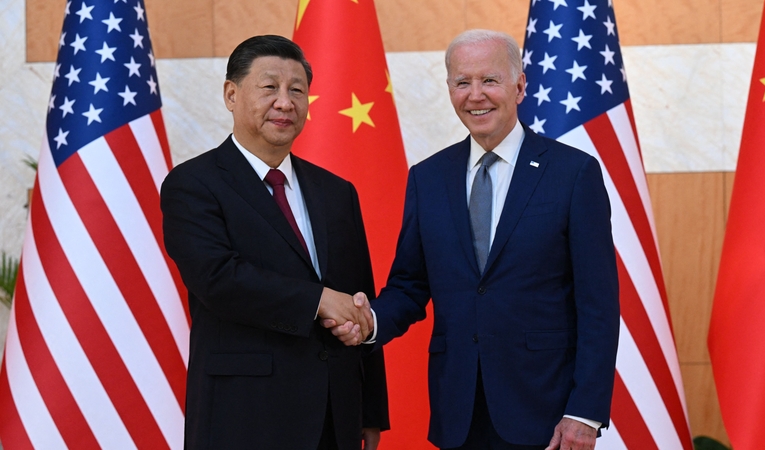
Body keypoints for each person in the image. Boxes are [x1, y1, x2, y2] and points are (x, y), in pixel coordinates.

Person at [327, 29, 619, 450]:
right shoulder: (428, 178)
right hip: (457, 411)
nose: (475, 95)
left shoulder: (573, 173)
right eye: (463, 82)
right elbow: (410, 285)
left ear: (520, 86)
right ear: (449, 89)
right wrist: (368, 321)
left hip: (548, 414)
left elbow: (598, 304)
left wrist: (584, 412)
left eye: (490, 80)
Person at [160, 35, 388, 450]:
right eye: (269, 88)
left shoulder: (336, 191)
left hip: (335, 418)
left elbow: (358, 299)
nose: (285, 102)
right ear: (231, 94)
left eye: (297, 90)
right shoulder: (193, 184)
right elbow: (218, 279)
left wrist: (370, 410)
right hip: (245, 417)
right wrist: (317, 299)